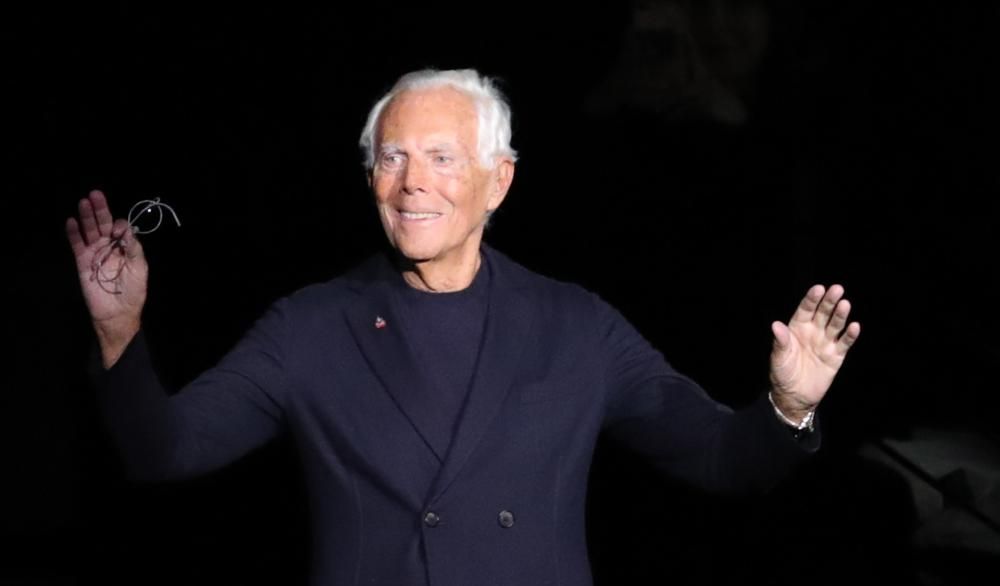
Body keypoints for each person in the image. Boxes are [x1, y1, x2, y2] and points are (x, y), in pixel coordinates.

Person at [66, 68, 860, 586]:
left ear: (498, 181)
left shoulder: (576, 327)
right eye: (392, 158)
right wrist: (120, 334)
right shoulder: (308, 328)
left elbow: (722, 458)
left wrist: (788, 407)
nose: (413, 182)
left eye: (442, 158)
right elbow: (164, 451)